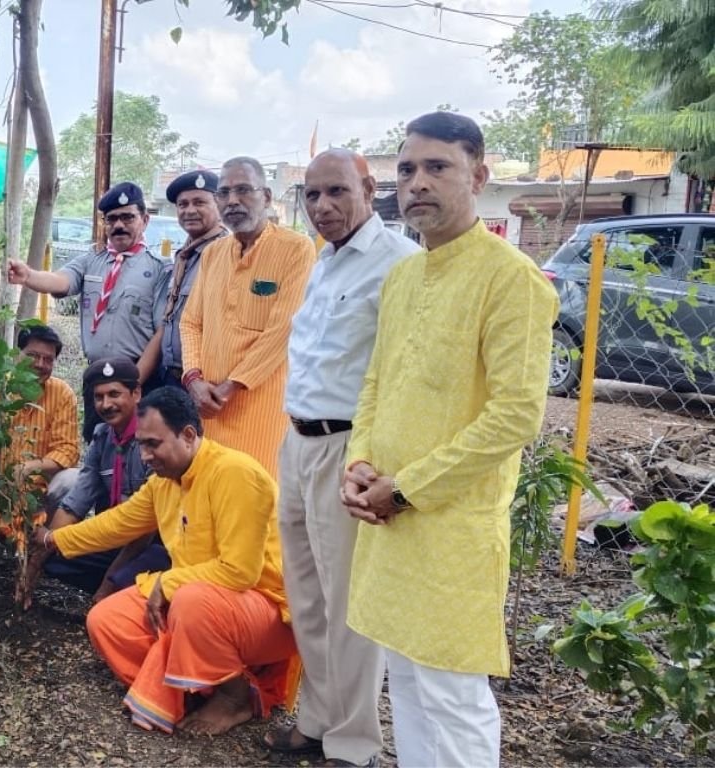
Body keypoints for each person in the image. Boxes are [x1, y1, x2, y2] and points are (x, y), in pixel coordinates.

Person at [341, 112, 558, 766]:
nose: (417, 183)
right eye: (407, 170)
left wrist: (405, 490)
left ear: (479, 177)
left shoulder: (510, 278)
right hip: (388, 513)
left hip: (450, 522)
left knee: (451, 692)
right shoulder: (404, 275)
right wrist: (359, 464)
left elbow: (516, 414)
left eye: (438, 167)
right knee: (403, 679)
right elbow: (376, 383)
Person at [265, 149, 419, 767]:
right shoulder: (323, 264)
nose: (322, 207)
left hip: (348, 448)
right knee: (306, 594)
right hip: (297, 440)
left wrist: (375, 459)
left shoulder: (399, 264)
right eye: (311, 195)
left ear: (368, 188)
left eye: (336, 192)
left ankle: (353, 746)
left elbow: (403, 371)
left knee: (348, 604)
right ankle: (318, 720)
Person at [33, 388, 299, 736]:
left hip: (266, 610)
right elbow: (117, 523)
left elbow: (240, 572)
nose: (144, 456)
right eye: (141, 444)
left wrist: (168, 582)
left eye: (153, 444)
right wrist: (54, 540)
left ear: (188, 435)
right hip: (203, 602)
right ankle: (194, 686)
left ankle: (236, 699)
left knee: (190, 600)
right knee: (105, 620)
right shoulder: (165, 482)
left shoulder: (235, 473)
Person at [179, 157, 316, 477]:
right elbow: (190, 322)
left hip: (261, 408)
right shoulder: (214, 252)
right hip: (209, 410)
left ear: (266, 197)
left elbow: (283, 331)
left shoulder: (296, 249)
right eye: (224, 193)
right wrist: (194, 380)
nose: (232, 201)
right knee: (213, 499)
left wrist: (228, 388)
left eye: (243, 190)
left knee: (257, 498)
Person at [7, 182, 170, 441]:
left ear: (145, 220)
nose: (118, 225)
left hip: (139, 379)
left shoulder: (160, 269)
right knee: (98, 446)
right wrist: (29, 276)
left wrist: (134, 383)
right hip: (98, 377)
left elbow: (162, 331)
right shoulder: (91, 260)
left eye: (128, 217)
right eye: (111, 219)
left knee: (140, 453)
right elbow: (62, 280)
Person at [17, 357, 169, 608]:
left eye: (114, 394)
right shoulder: (102, 439)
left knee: (150, 561)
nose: (106, 404)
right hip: (118, 537)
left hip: (156, 542)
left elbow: (144, 530)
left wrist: (105, 588)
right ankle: (124, 587)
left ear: (136, 393)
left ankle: (122, 590)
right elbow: (74, 505)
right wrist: (32, 568)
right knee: (57, 557)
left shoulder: (154, 439)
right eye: (99, 397)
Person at [0, 325, 79, 516]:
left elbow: (67, 449)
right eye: (32, 355)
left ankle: (47, 540)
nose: (40, 364)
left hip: (40, 490)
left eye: (48, 359)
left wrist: (30, 467)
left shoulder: (62, 394)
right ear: (17, 355)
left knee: (73, 479)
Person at [143, 170, 227, 390]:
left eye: (199, 202)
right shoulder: (184, 255)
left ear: (219, 205)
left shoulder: (228, 253)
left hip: (206, 381)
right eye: (183, 204)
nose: (189, 210)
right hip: (171, 376)